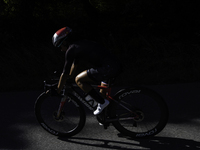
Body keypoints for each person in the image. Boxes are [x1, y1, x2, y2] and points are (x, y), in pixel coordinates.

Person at [52, 26, 122, 115]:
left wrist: (58, 90)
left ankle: (102, 102)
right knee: (102, 94)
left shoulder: (71, 50)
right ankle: (107, 116)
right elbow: (74, 65)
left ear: (65, 42)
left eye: (60, 46)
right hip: (113, 64)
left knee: (79, 79)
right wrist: (69, 76)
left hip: (107, 67)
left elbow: (65, 72)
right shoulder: (79, 44)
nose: (61, 49)